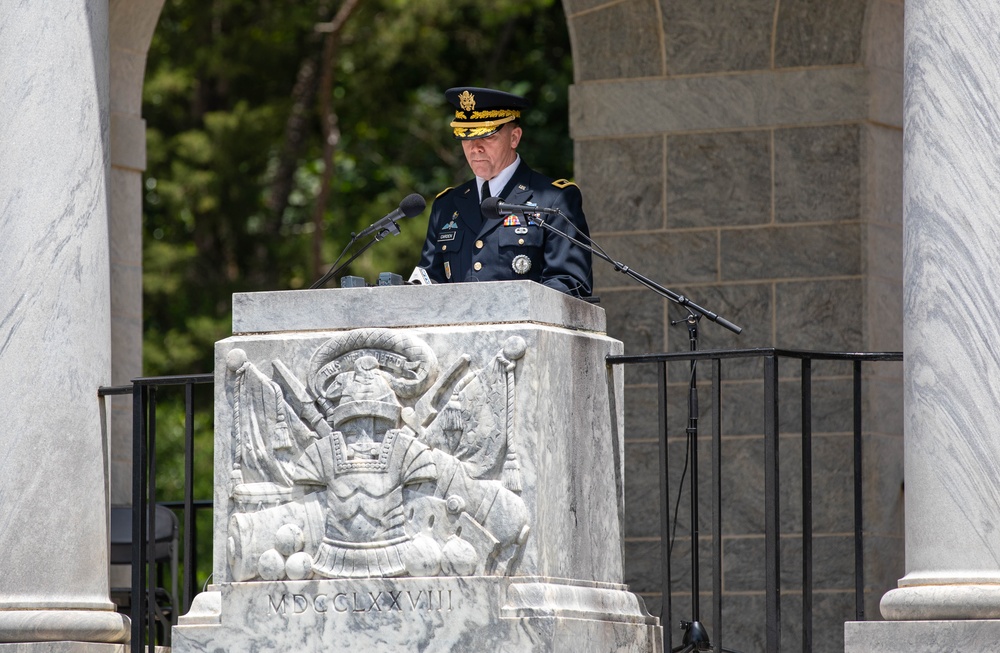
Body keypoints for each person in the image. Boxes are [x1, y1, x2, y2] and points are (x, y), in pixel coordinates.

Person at [416, 86, 593, 297]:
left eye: (487, 137)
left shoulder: (554, 199)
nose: (475, 147)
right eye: (467, 137)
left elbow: (570, 284)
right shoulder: (447, 204)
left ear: (514, 138)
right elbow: (428, 282)